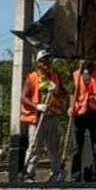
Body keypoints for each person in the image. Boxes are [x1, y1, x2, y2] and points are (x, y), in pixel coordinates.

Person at [20, 50, 68, 183]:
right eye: (44, 61)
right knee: (34, 147)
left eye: (49, 60)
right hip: (37, 117)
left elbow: (63, 94)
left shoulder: (55, 76)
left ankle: (57, 173)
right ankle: (28, 174)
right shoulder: (32, 77)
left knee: (54, 147)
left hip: (52, 116)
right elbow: (23, 97)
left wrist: (56, 90)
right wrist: (37, 106)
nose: (47, 63)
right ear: (39, 63)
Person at [70, 59, 96, 182]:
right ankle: (75, 176)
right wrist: (71, 106)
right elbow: (71, 92)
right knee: (77, 147)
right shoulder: (76, 74)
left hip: (95, 113)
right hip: (79, 114)